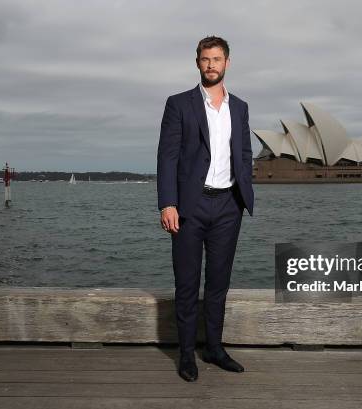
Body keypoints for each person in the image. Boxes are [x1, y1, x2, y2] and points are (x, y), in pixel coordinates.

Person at [156, 36, 254, 382]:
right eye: (205, 59)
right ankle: (186, 355)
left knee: (217, 285)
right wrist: (168, 202)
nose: (211, 65)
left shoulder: (239, 107)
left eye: (217, 59)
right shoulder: (178, 104)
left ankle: (214, 347)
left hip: (229, 205)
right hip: (188, 206)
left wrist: (244, 194)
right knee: (186, 285)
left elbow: (244, 154)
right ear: (197, 63)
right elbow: (167, 156)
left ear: (227, 62)